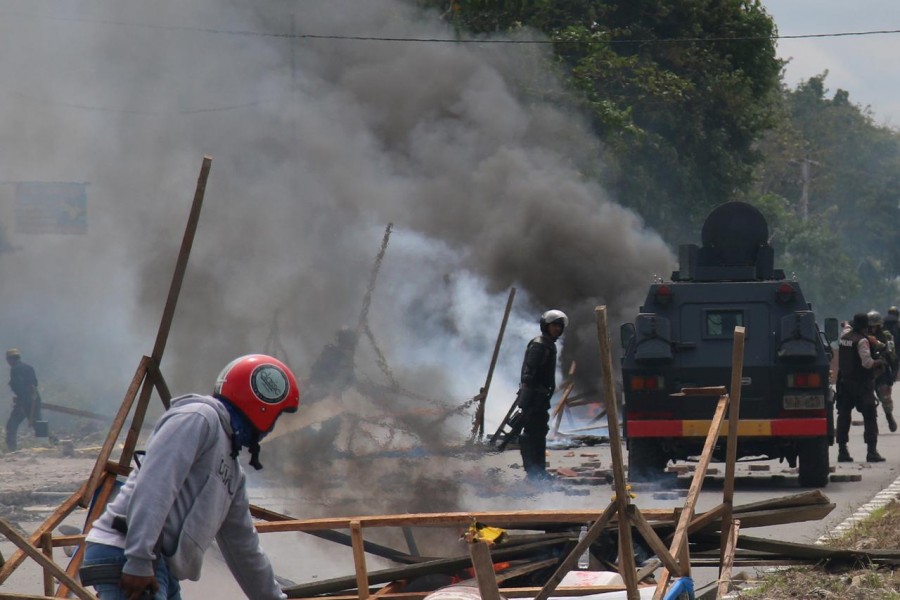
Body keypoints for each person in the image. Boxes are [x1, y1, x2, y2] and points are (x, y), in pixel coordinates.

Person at [81, 354, 300, 599]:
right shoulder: (199, 417)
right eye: (277, 415)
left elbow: (243, 547)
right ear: (262, 406)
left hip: (156, 564)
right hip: (127, 552)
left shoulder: (232, 470)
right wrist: (139, 560)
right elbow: (156, 485)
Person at [516, 309, 567, 481]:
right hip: (533, 399)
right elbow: (529, 375)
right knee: (531, 435)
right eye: (554, 326)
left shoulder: (547, 344)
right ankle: (533, 474)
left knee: (539, 433)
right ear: (545, 326)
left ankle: (539, 472)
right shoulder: (539, 345)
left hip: (540, 399)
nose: (557, 329)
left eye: (560, 327)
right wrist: (531, 399)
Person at [836, 314, 886, 463]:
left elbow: (845, 327)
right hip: (862, 383)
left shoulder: (844, 337)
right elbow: (867, 363)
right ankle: (871, 451)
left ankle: (842, 451)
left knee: (844, 415)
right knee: (870, 416)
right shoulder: (862, 341)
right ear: (866, 326)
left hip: (845, 382)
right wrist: (880, 362)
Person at [5, 348, 41, 452]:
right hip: (35, 399)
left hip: (25, 402)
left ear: (10, 359)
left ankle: (12, 449)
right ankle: (51, 444)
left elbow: (21, 388)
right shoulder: (29, 367)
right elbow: (35, 383)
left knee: (12, 424)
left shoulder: (15, 369)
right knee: (39, 425)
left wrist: (21, 404)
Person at [868, 310, 897, 432]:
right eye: (870, 326)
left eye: (875, 326)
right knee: (867, 401)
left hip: (882, 370)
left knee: (885, 396)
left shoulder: (886, 336)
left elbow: (892, 354)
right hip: (867, 371)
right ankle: (871, 424)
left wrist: (893, 372)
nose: (873, 328)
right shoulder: (863, 336)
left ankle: (889, 416)